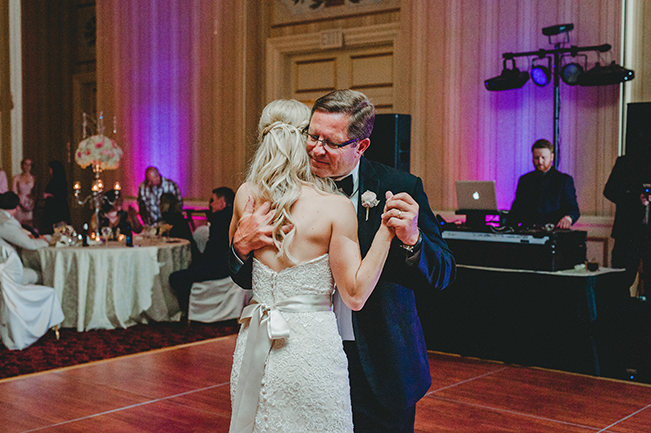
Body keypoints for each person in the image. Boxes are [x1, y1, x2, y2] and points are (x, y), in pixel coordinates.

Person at [230, 90, 456, 432]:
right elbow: (251, 277)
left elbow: (443, 272)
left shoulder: (398, 185)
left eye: (331, 142)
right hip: (295, 353)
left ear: (360, 147)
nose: (316, 149)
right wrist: (240, 248)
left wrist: (413, 239)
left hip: (379, 362)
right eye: (312, 135)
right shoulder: (274, 192)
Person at [168, 186, 235, 321]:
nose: (210, 204)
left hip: (219, 267)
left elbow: (213, 250)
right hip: (230, 266)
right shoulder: (234, 217)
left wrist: (199, 263)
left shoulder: (220, 219)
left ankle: (185, 312)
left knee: (175, 278)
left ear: (222, 202)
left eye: (212, 200)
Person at [604, 151, 651, 294]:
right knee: (621, 281)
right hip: (627, 233)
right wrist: (634, 198)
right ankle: (621, 315)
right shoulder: (625, 163)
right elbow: (609, 191)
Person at [507, 139, 580, 230]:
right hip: (528, 230)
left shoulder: (564, 180)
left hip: (553, 231)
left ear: (552, 157)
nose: (540, 161)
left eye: (543, 158)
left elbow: (573, 208)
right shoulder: (525, 180)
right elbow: (517, 208)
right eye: (536, 158)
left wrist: (568, 218)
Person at [0, 192, 49, 285]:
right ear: (16, 208)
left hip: (3, 268)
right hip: (6, 272)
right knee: (43, 275)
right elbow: (30, 244)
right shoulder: (6, 222)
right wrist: (44, 242)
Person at [41, 160, 71, 234]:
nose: (49, 171)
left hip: (57, 209)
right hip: (53, 208)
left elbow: (60, 195)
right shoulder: (53, 180)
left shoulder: (59, 181)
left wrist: (48, 195)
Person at [12, 159, 37, 227]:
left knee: (28, 224)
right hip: (20, 202)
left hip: (29, 203)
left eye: (29, 165)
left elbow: (35, 193)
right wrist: (20, 204)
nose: (27, 166)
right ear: (22, 165)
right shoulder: (17, 178)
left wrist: (33, 203)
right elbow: (14, 192)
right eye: (25, 164)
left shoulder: (33, 178)